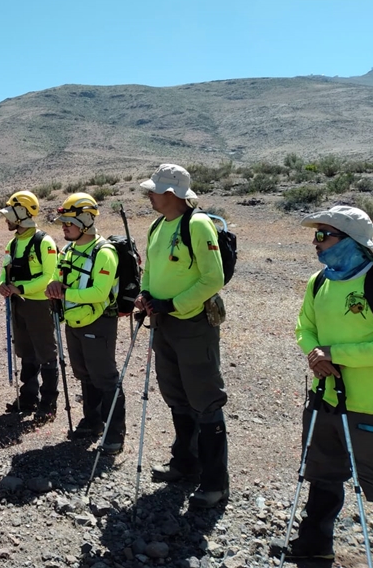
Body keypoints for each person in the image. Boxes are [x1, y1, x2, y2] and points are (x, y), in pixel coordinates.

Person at [274, 205, 373, 561]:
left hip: (372, 404)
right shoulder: (318, 281)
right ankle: (314, 547)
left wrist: (335, 354)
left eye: (324, 235)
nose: (315, 243)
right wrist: (316, 354)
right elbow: (303, 327)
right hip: (325, 399)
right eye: (316, 235)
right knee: (322, 475)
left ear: (351, 241)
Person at [134, 164, 228, 508]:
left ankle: (215, 482)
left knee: (205, 399)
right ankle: (185, 464)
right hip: (164, 323)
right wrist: (145, 296)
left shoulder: (198, 224)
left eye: (154, 190)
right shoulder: (158, 225)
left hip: (191, 324)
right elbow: (150, 270)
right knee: (176, 395)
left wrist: (172, 304)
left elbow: (212, 278)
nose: (149, 195)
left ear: (171, 194)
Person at [45, 193, 125, 454]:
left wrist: (64, 292)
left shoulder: (105, 252)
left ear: (87, 220)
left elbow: (100, 293)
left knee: (105, 378)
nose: (64, 226)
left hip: (98, 323)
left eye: (69, 221)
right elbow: (56, 279)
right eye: (63, 221)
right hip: (74, 322)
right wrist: (53, 286)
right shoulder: (68, 251)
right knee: (84, 374)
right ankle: (92, 422)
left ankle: (114, 435)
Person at [0, 191, 59, 419]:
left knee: (46, 353)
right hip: (18, 305)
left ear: (22, 214)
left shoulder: (44, 242)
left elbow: (49, 277)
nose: (6, 219)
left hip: (39, 306)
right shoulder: (13, 244)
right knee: (26, 352)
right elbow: (5, 273)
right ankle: (28, 397)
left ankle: (49, 403)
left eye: (10, 215)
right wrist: (3, 285)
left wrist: (20, 288)